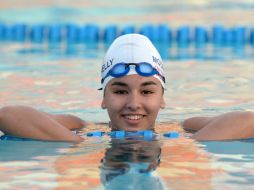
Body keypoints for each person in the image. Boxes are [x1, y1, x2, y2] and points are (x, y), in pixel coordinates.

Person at [0, 33, 254, 142]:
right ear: (103, 99)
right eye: (120, 91)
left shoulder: (183, 128)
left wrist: (193, 142)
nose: (134, 103)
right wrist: (79, 143)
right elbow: (8, 115)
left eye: (147, 91)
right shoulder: (81, 127)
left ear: (162, 98)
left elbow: (248, 120)